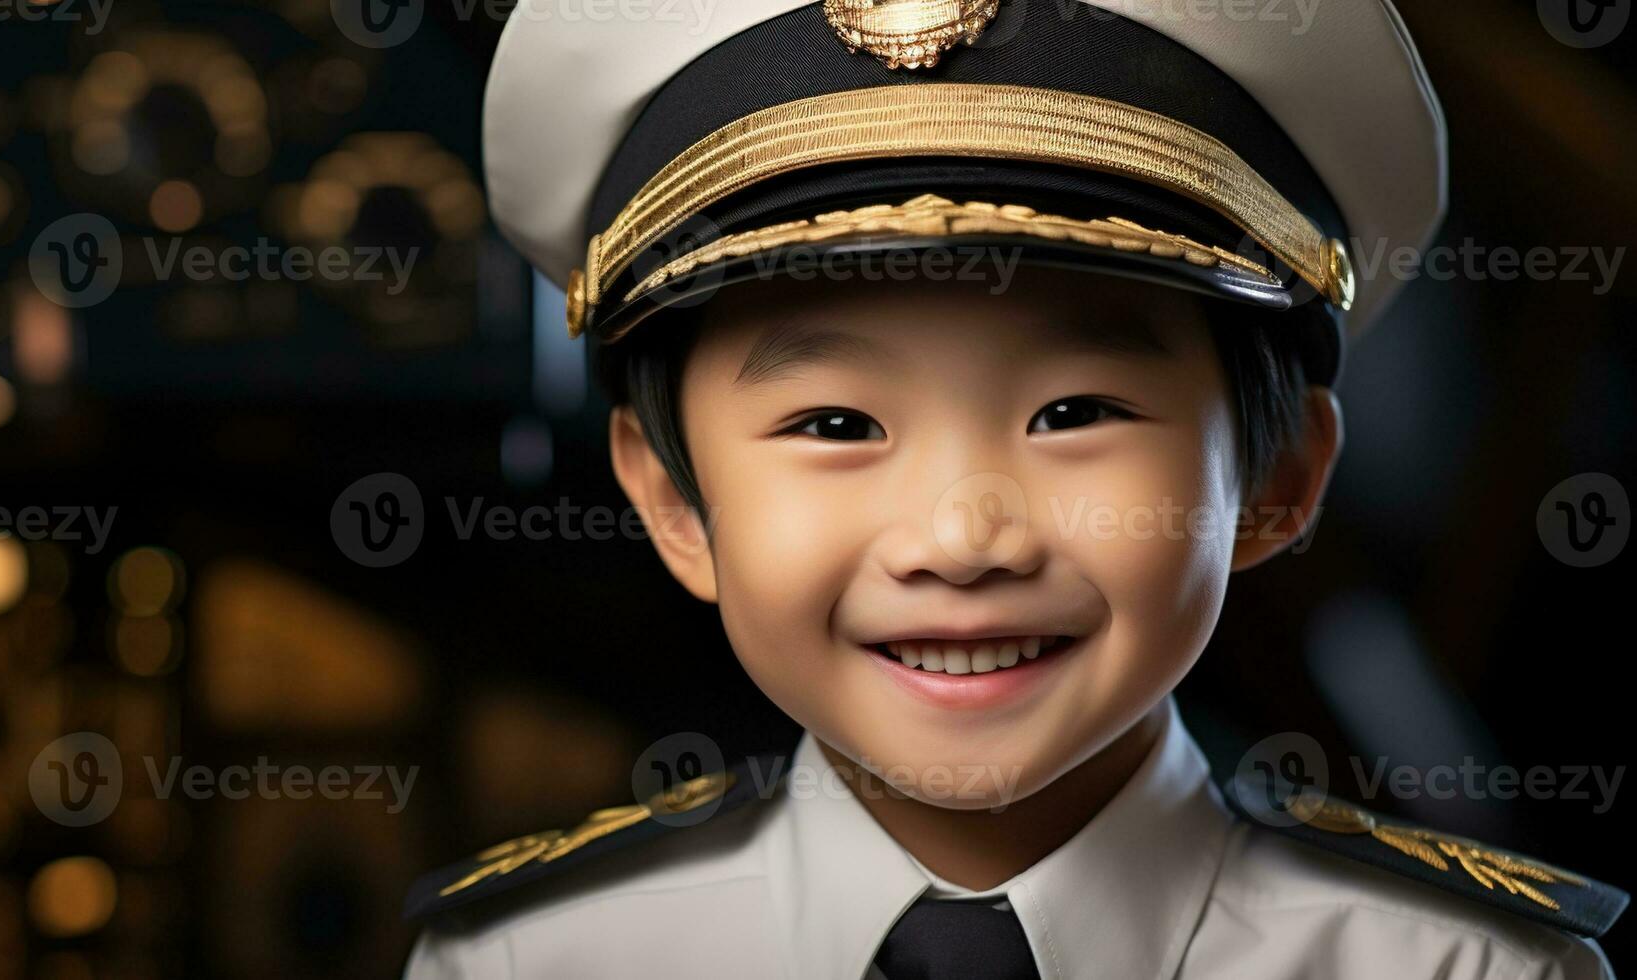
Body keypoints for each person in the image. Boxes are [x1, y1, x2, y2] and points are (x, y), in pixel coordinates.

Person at [402, 0, 1626, 976]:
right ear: (674, 501)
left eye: (1074, 412)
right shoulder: (528, 957)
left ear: (1278, 474)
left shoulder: (1464, 967)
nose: (959, 537)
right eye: (836, 423)